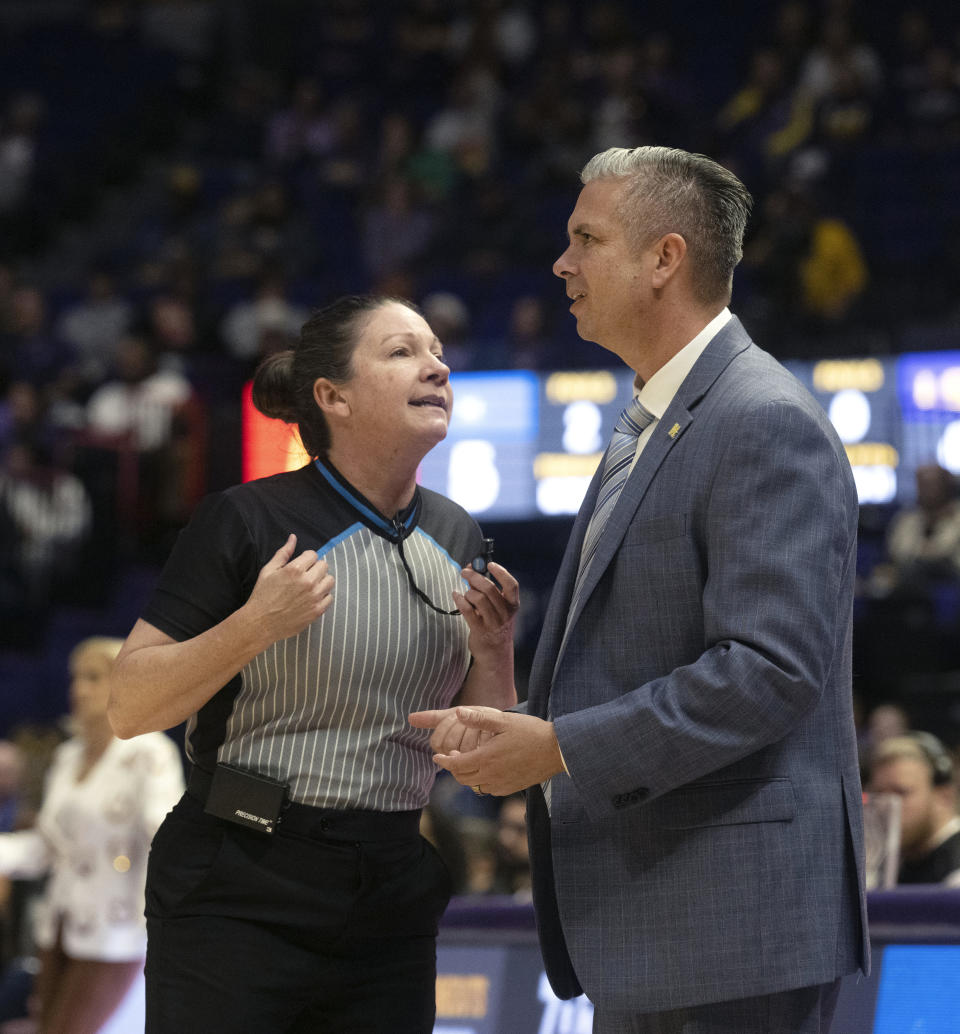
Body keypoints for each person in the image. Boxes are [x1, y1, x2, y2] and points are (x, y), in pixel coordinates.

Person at [411, 145, 869, 1034]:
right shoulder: (655, 419)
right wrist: (514, 709)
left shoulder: (762, 420)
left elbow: (768, 671)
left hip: (732, 928)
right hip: (663, 924)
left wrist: (560, 749)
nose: (561, 264)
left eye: (586, 239)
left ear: (665, 258)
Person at [106, 294, 518, 1034]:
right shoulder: (247, 519)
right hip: (240, 879)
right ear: (333, 397)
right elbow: (131, 705)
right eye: (402, 353)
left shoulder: (459, 533)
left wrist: (494, 654)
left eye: (436, 351)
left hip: (391, 882)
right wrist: (255, 624)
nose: (437, 366)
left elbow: (484, 757)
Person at [0, 636, 184, 1034]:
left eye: (94, 677)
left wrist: (160, 922)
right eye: (76, 677)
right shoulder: (67, 757)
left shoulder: (150, 754)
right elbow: (48, 847)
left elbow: (166, 839)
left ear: (126, 683)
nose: (79, 688)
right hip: (59, 923)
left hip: (117, 932)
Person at [867, 732, 960, 886]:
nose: (886, 807)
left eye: (901, 793)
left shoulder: (955, 873)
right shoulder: (884, 866)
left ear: (944, 797)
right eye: (879, 794)